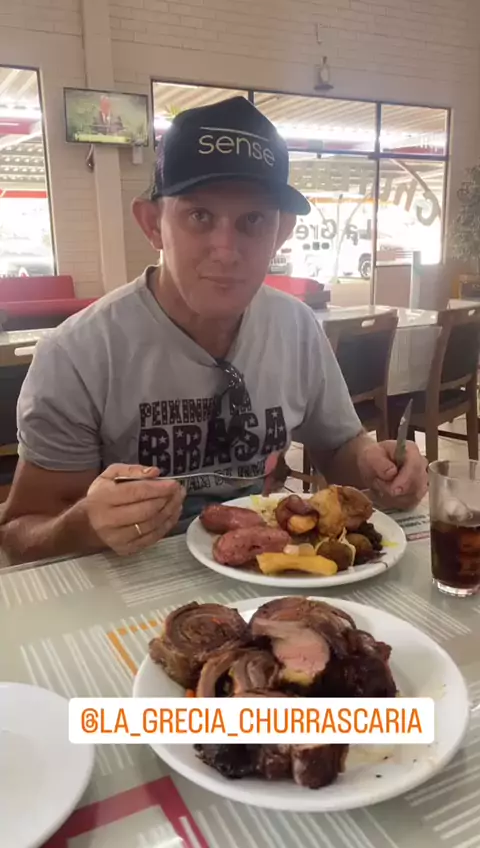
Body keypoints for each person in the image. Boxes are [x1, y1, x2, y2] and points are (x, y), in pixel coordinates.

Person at [0, 97, 427, 565]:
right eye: (199, 216)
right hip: (130, 579)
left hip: (262, 571)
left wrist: (372, 464)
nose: (226, 250)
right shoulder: (77, 353)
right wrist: (84, 524)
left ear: (281, 231)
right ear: (153, 224)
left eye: (253, 220)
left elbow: (339, 444)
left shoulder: (296, 326)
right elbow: (19, 533)